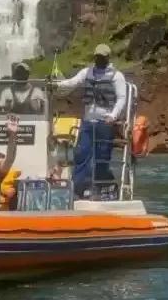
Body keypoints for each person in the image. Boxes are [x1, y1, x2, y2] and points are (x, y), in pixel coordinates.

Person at [52, 43, 128, 199]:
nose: (99, 59)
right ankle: (78, 190)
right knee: (82, 154)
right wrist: (55, 84)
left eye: (102, 57)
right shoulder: (87, 72)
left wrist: (112, 116)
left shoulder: (117, 76)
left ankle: (102, 188)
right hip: (88, 121)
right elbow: (71, 83)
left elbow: (121, 98)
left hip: (105, 122)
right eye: (97, 57)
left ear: (107, 58)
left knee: (102, 157)